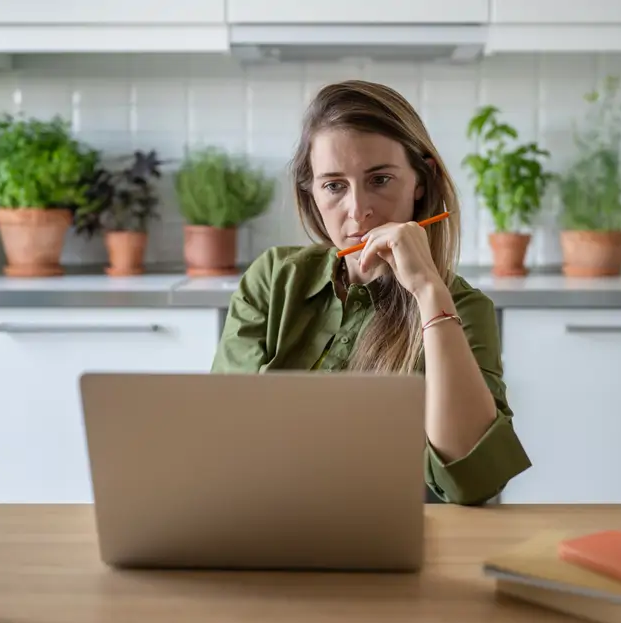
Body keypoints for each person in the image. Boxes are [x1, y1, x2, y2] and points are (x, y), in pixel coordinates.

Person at [211, 80, 531, 506]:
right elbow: (227, 436)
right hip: (267, 522)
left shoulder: (464, 308)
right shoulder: (273, 279)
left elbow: (472, 481)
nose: (358, 210)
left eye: (380, 179)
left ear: (421, 180)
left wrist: (430, 294)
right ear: (311, 191)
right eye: (334, 185)